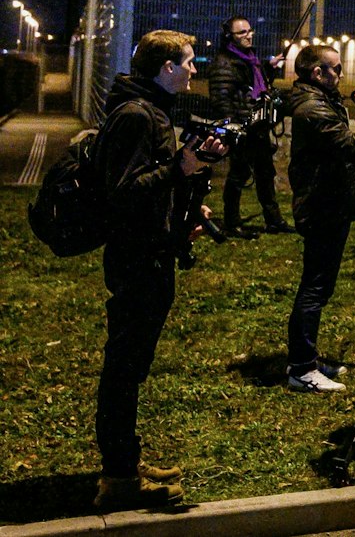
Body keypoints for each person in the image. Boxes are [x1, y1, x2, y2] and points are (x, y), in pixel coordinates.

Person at [93, 30, 228, 511]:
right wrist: (182, 166)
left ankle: (124, 461)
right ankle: (119, 479)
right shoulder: (135, 115)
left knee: (132, 366)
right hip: (137, 260)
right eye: (190, 62)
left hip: (151, 251)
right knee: (124, 369)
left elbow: (153, 185)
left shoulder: (150, 109)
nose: (196, 70)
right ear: (167, 67)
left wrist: (187, 203)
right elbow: (124, 192)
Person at [281, 43, 355, 393]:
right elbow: (354, 146)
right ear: (318, 73)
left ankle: (305, 357)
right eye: (336, 69)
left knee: (319, 285)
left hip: (328, 201)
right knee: (314, 286)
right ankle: (301, 368)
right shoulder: (314, 108)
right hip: (322, 205)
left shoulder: (318, 100)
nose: (341, 75)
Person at [205, 16, 290, 237]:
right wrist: (233, 127)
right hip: (241, 128)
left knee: (265, 173)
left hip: (257, 125)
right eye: (242, 32)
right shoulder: (225, 62)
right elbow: (221, 99)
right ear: (229, 37)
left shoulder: (250, 59)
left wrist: (269, 69)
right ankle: (232, 222)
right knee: (238, 175)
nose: (249, 35)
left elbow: (252, 86)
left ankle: (274, 220)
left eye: (250, 31)